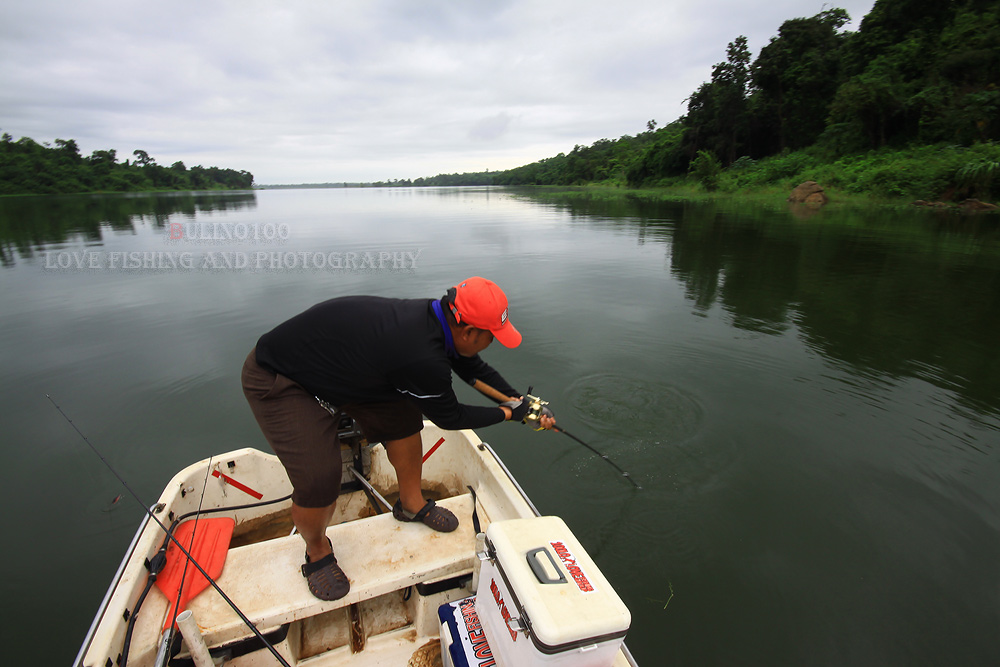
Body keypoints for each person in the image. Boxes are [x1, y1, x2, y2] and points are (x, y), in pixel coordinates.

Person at [241, 277, 555, 601]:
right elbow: (450, 417)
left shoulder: (438, 320)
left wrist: (522, 404)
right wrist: (508, 415)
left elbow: (473, 368)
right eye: (492, 338)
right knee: (320, 478)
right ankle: (317, 551)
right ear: (469, 331)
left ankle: (411, 503)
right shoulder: (421, 355)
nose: (492, 344)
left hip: (347, 370)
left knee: (405, 418)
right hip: (283, 380)